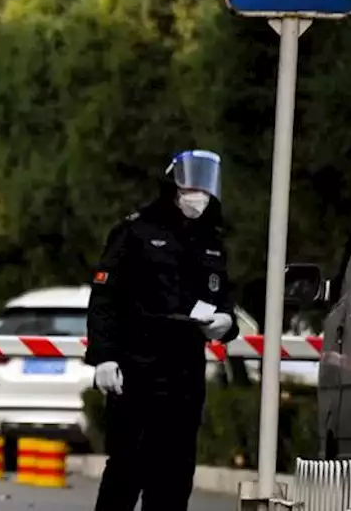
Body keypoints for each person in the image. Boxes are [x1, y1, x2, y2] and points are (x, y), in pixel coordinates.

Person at [85, 149, 239, 510]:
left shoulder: (211, 239)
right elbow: (104, 299)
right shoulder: (134, 231)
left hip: (185, 371)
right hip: (137, 367)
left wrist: (226, 321)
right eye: (190, 187)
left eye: (204, 187)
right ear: (173, 185)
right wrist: (104, 358)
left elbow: (224, 294)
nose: (198, 194)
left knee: (175, 473)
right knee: (127, 469)